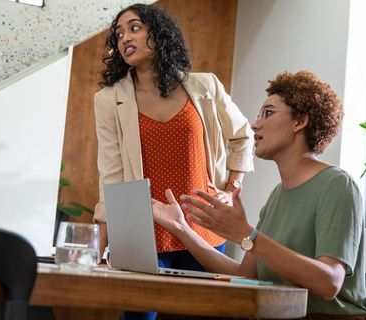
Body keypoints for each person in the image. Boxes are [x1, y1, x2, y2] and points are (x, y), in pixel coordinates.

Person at [153, 71, 366, 319]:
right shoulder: (278, 195)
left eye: (268, 113)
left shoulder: (337, 186)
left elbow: (328, 283)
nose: (255, 124)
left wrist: (246, 234)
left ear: (299, 122)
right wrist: (181, 229)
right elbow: (245, 275)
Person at [93, 3, 254, 319]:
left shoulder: (205, 86)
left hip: (203, 234)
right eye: (119, 33)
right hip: (142, 240)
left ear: (159, 32)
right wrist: (98, 252)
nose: (125, 37)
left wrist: (232, 187)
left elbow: (242, 136)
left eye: (135, 27)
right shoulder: (109, 100)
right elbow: (110, 177)